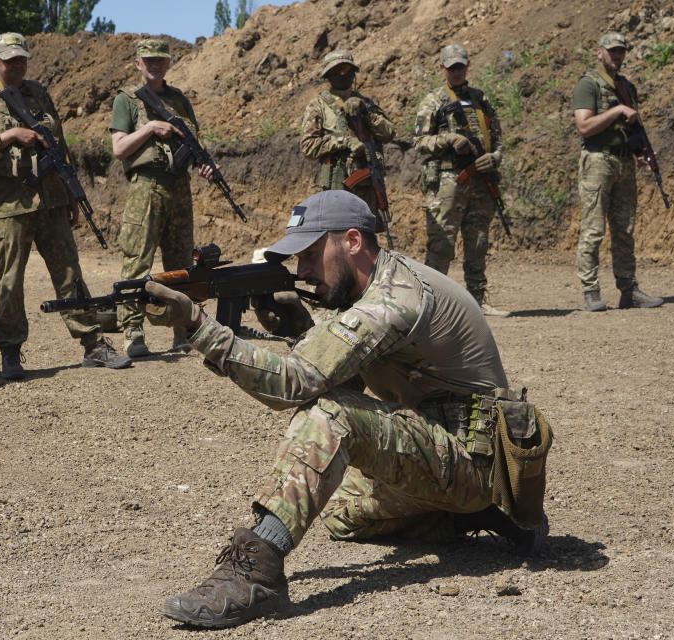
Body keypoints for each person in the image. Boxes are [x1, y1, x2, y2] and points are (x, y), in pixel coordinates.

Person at [141, 190, 550, 628]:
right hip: (443, 451)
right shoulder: (371, 290)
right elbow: (343, 375)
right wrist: (299, 326)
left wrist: (198, 326)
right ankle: (477, 515)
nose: (303, 271)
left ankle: (256, 575)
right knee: (335, 511)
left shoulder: (394, 299)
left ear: (352, 241)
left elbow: (296, 386)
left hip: (473, 460)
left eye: (312, 255)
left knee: (329, 417)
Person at [0, 32, 130, 379]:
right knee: (11, 281)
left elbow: (59, 146)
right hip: (11, 206)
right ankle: (10, 351)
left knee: (70, 274)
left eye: (21, 58)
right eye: (9, 59)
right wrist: (8, 136)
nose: (17, 64)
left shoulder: (38, 93)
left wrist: (70, 194)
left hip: (51, 202)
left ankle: (92, 344)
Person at [109, 38, 215, 358]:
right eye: (148, 59)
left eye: (161, 59)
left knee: (181, 263)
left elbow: (192, 142)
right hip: (146, 185)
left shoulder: (179, 100)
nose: (155, 64)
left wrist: (206, 166)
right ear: (137, 63)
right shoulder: (126, 100)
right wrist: (151, 127)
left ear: (169, 63)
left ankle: (182, 330)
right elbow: (119, 149)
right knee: (138, 259)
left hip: (179, 185)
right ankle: (132, 330)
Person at [413, 43, 509, 317]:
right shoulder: (433, 101)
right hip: (447, 183)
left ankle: (476, 300)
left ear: (468, 66)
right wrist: (449, 139)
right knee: (442, 243)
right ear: (442, 68)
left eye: (460, 66)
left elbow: (498, 137)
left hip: (481, 180)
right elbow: (419, 142)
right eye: (451, 67)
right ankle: (430, 304)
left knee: (478, 241)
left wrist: (496, 157)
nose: (456, 71)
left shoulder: (481, 99)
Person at [572, 32, 663, 312]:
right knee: (594, 229)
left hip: (624, 162)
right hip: (598, 161)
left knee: (625, 229)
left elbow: (630, 126)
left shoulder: (626, 86)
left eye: (621, 51)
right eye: (612, 51)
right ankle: (591, 292)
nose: (617, 55)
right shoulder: (588, 85)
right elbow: (585, 127)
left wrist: (640, 153)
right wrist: (617, 111)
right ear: (599, 53)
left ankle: (629, 290)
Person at [299, 50, 395, 239]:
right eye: (337, 71)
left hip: (368, 184)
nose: (343, 75)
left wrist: (367, 114)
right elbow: (308, 147)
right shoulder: (318, 105)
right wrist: (344, 142)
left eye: (346, 69)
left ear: (353, 72)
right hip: (339, 186)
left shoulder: (366, 103)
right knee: (339, 239)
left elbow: (389, 133)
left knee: (366, 239)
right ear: (328, 75)